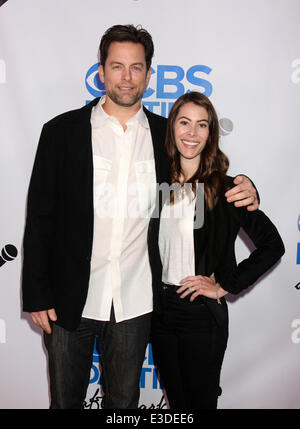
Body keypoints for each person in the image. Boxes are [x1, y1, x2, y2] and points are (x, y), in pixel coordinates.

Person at [22, 25, 259, 409]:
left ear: (149, 74)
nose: (127, 77)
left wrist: (249, 189)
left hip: (135, 300)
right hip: (69, 299)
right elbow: (40, 217)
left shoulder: (166, 135)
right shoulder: (60, 133)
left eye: (136, 67)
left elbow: (208, 177)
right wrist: (36, 294)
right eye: (117, 66)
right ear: (101, 71)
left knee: (124, 405)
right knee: (64, 402)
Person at [149, 91, 285, 410]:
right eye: (184, 123)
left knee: (200, 403)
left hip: (199, 312)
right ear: (171, 128)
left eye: (202, 125)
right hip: (159, 311)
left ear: (211, 134)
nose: (192, 133)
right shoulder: (156, 183)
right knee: (177, 403)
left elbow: (272, 245)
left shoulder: (224, 189)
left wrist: (225, 285)